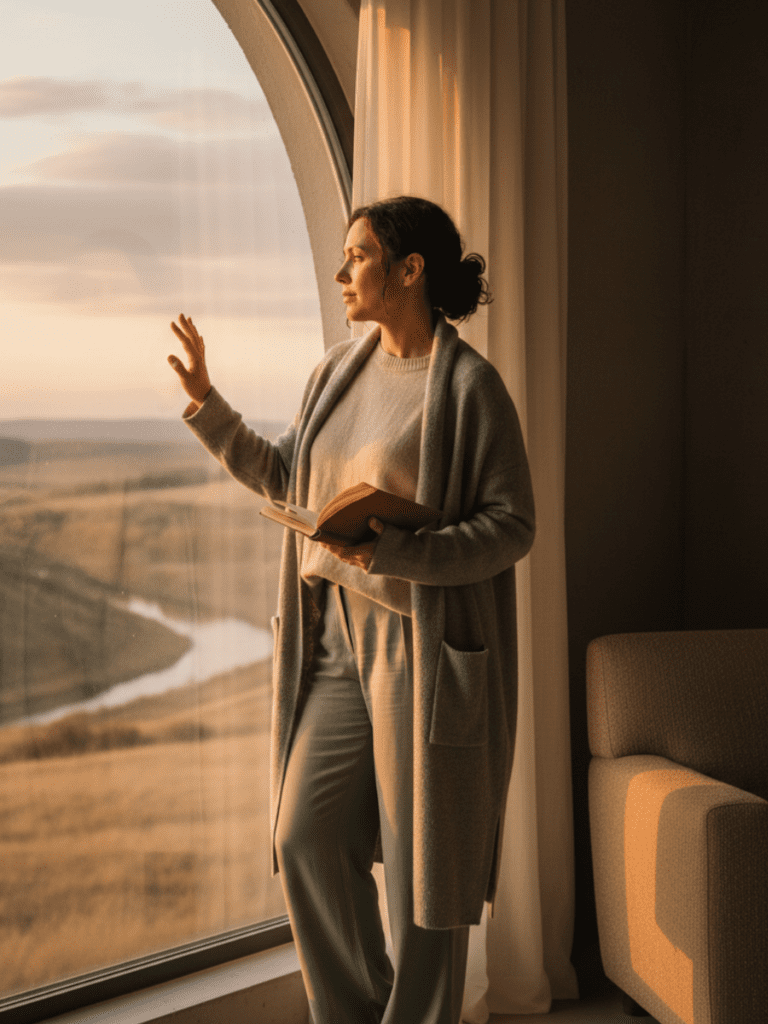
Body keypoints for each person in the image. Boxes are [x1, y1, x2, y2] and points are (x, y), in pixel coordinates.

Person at [167, 195, 535, 1024]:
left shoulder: (472, 387)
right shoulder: (338, 371)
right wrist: (206, 402)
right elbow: (284, 476)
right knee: (305, 836)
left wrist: (401, 553)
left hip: (419, 645)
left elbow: (513, 527)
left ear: (410, 271)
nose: (342, 274)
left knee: (421, 872)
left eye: (357, 257)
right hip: (332, 638)